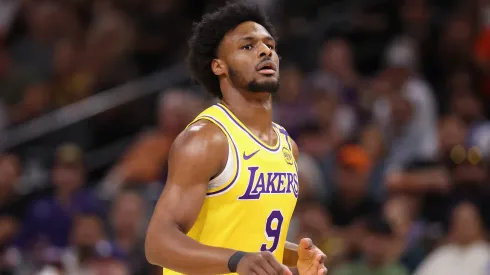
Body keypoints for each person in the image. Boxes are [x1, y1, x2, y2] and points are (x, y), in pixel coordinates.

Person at [144, 2, 327, 275]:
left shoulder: (288, 147)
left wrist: (294, 257)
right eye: (248, 46)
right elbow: (157, 244)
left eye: (270, 45)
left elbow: (250, 241)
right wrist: (236, 260)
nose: (265, 51)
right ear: (219, 66)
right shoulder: (206, 139)